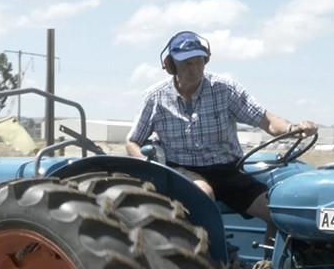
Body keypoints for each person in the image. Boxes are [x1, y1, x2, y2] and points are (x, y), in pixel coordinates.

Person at [125, 30, 318, 233]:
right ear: (171, 66)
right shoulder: (155, 97)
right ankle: (211, 260)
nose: (194, 69)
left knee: (277, 212)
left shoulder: (225, 90)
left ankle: (268, 261)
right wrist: (149, 165)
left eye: (199, 61)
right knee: (204, 193)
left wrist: (293, 129)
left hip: (228, 171)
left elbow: (266, 120)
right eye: (187, 64)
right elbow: (132, 141)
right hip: (183, 170)